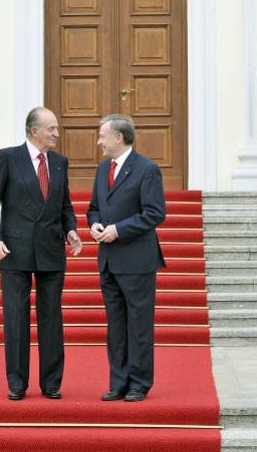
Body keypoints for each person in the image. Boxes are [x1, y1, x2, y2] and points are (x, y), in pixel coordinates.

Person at [0, 107, 83, 401]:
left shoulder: (60, 162)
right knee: (15, 318)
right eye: (51, 128)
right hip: (14, 249)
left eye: (56, 128)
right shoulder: (8, 157)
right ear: (33, 130)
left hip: (52, 249)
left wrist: (71, 230)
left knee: (51, 317)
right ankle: (17, 382)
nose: (56, 133)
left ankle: (51, 382)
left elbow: (65, 206)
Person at [87, 114, 166, 402]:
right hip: (108, 260)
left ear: (118, 138)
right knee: (116, 325)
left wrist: (118, 230)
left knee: (138, 324)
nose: (99, 142)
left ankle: (139, 383)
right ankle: (118, 381)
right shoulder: (102, 168)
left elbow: (154, 213)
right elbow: (94, 207)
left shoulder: (146, 169)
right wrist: (94, 224)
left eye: (102, 137)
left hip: (137, 260)